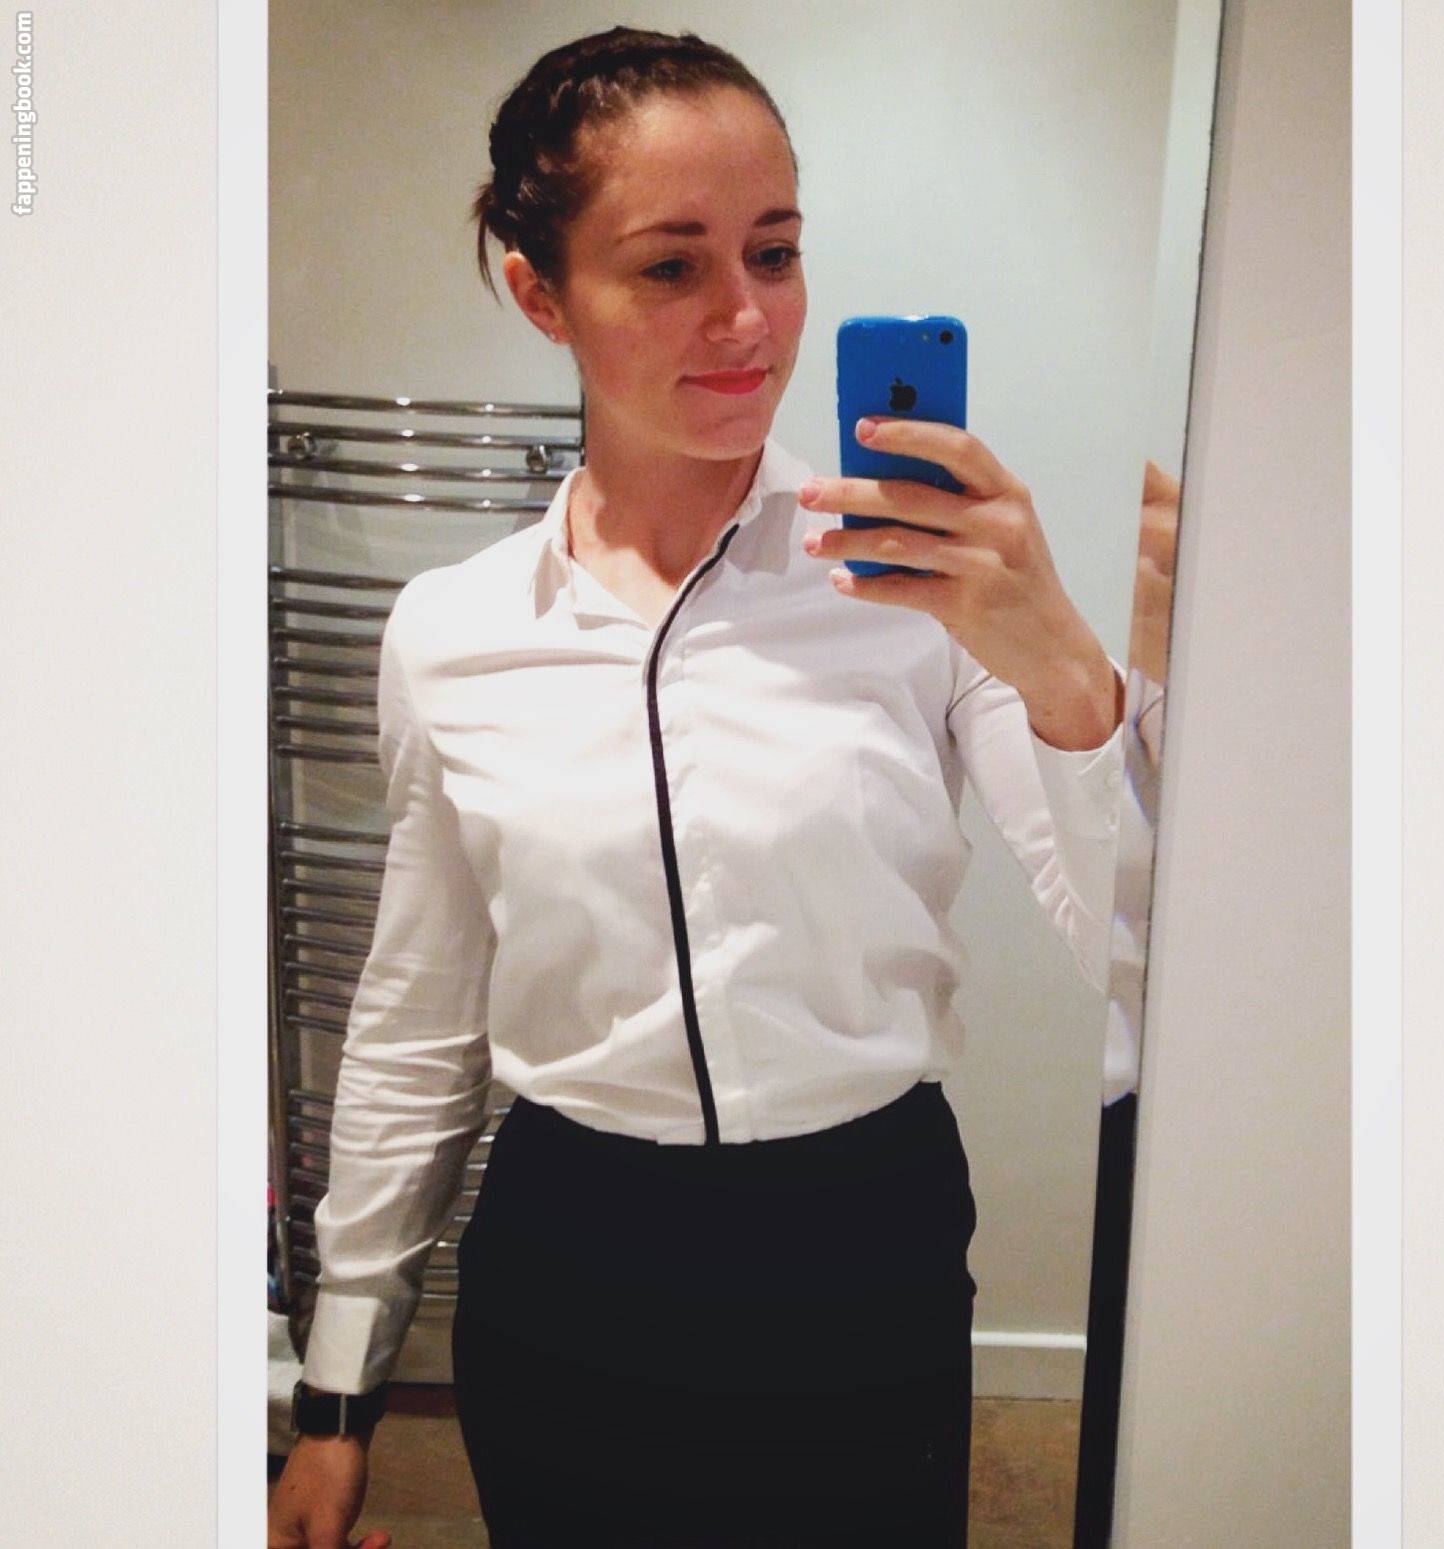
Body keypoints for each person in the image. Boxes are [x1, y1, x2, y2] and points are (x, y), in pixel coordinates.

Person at [267, 25, 1127, 1549]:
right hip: (572, 1253)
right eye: (671, 265)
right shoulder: (454, 630)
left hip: (862, 1234)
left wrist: (1062, 672)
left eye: (773, 252)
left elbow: (1141, 956)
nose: (746, 316)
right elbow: (418, 1013)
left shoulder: (924, 585)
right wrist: (338, 1394)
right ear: (540, 293)